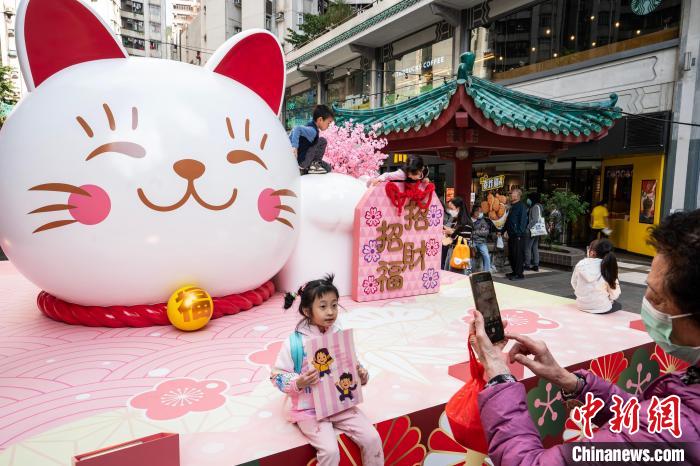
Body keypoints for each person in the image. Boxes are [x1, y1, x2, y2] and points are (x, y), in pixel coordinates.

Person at [469, 209, 700, 465]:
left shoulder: (672, 432)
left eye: (657, 297)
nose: (645, 300)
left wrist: (498, 375)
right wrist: (569, 380)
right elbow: (643, 421)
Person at [271, 275, 383, 465]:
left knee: (372, 438)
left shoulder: (339, 335)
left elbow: (351, 367)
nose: (330, 312)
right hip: (309, 410)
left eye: (334, 305)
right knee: (330, 452)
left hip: (340, 403)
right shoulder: (295, 343)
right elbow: (276, 376)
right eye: (323, 306)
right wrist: (298, 382)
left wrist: (361, 374)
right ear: (307, 311)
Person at [571, 238, 621, 313]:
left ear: (592, 253)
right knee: (618, 305)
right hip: (601, 308)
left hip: (581, 305)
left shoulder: (580, 264)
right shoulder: (608, 267)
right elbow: (614, 294)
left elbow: (574, 283)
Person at [289, 105, 334, 175]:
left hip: (301, 160)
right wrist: (294, 147)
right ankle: (314, 165)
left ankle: (309, 168)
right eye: (328, 123)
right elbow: (297, 128)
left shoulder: (310, 126)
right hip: (303, 161)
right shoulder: (312, 131)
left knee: (328, 167)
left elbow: (293, 133)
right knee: (322, 141)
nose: (329, 125)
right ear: (320, 120)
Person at [443, 196, 473, 273]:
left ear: (458, 209)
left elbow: (465, 242)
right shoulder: (454, 221)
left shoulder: (466, 224)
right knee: (448, 275)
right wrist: (447, 233)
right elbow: (452, 238)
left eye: (451, 208)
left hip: (459, 253)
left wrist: (452, 233)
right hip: (450, 251)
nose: (450, 211)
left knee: (456, 277)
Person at [504, 188, 528, 280]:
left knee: (518, 255)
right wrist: (503, 231)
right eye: (511, 194)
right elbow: (508, 220)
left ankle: (519, 274)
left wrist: (518, 233)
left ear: (518, 195)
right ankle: (514, 271)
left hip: (518, 235)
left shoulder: (521, 206)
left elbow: (522, 221)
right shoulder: (512, 206)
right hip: (511, 234)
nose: (511, 195)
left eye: (513, 193)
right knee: (512, 254)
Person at [471, 204, 494, 273]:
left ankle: (487, 271)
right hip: (472, 241)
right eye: (477, 211)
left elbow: (486, 232)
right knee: (470, 255)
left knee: (486, 255)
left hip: (481, 242)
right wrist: (478, 233)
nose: (479, 213)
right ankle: (470, 271)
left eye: (480, 211)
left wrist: (475, 232)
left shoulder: (482, 221)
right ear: (473, 212)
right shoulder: (469, 220)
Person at [524, 192, 543, 272]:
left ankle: (527, 265)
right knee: (535, 247)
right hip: (537, 230)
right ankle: (536, 265)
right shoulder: (539, 206)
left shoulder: (535, 207)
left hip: (532, 230)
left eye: (529, 198)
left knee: (528, 247)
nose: (528, 200)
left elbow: (535, 219)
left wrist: (528, 227)